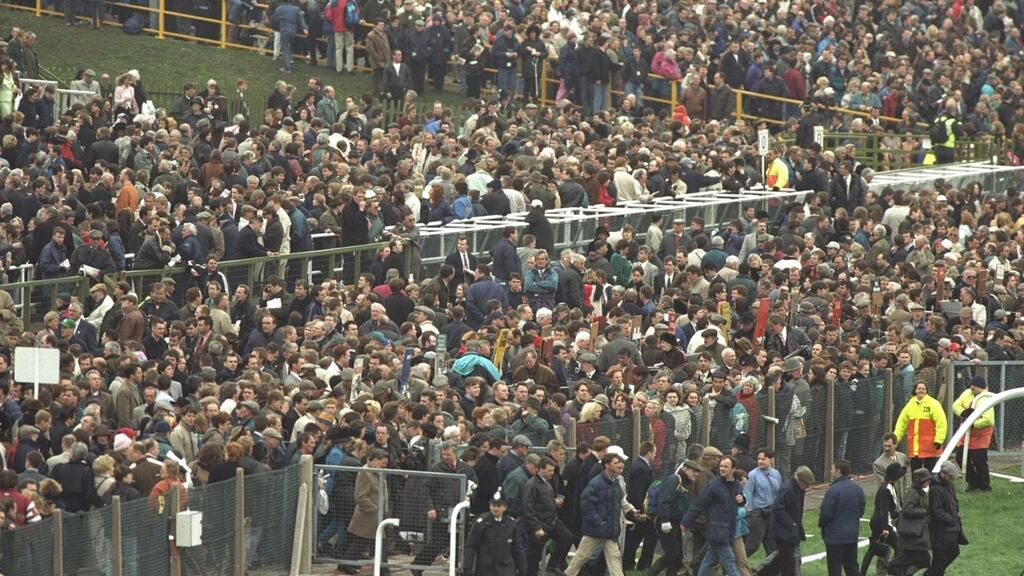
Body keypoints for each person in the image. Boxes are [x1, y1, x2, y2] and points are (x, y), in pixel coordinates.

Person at [563, 452, 638, 576]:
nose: (620, 465)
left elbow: (620, 500)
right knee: (581, 556)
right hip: (595, 530)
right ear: (606, 465)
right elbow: (586, 504)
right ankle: (568, 574)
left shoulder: (615, 483)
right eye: (616, 463)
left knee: (614, 558)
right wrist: (598, 521)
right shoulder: (596, 483)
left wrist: (631, 510)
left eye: (620, 462)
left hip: (609, 531)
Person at [681, 455, 745, 576]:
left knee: (709, 560)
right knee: (730, 561)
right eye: (721, 466)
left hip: (729, 529)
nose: (722, 469)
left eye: (726, 466)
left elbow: (741, 501)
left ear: (733, 468)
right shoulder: (713, 485)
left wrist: (742, 500)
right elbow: (698, 504)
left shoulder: (736, 486)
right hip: (717, 530)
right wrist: (686, 522)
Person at [763, 466, 815, 576]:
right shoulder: (788, 489)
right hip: (782, 532)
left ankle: (760, 573)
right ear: (800, 480)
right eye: (806, 484)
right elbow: (777, 508)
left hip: (790, 532)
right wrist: (792, 523)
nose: (807, 487)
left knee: (780, 561)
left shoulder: (797, 489)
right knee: (788, 564)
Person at [464, 489, 527, 576]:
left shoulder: (512, 525)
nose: (496, 508)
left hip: (506, 569)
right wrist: (467, 568)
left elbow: (517, 549)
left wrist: (522, 569)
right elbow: (471, 546)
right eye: (493, 505)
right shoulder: (481, 522)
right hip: (486, 569)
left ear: (505, 507)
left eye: (499, 505)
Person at [817, 460, 865, 576]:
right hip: (852, 535)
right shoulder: (857, 488)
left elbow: (826, 514)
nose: (831, 471)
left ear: (838, 471)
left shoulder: (833, 490)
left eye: (833, 469)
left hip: (835, 537)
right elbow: (861, 509)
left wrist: (822, 526)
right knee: (852, 566)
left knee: (834, 568)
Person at [951, 375, 995, 492]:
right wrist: (964, 413)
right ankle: (973, 482)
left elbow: (989, 420)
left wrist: (973, 423)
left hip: (981, 435)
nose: (971, 388)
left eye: (974, 386)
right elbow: (956, 405)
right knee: (960, 457)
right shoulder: (966, 393)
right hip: (966, 433)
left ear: (981, 388)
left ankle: (985, 486)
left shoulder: (986, 399)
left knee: (979, 461)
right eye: (971, 385)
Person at [861, 462, 904, 576]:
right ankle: (893, 570)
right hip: (882, 524)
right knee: (899, 549)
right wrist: (885, 528)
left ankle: (862, 573)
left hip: (879, 522)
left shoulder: (888, 486)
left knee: (872, 550)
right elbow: (883, 510)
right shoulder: (886, 489)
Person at [894, 382, 947, 472]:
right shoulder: (910, 405)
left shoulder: (934, 404)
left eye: (923, 389)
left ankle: (930, 485)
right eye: (919, 389)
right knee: (915, 469)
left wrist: (939, 440)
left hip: (930, 445)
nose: (921, 391)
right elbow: (901, 424)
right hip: (915, 447)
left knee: (930, 470)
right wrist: (896, 439)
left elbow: (941, 423)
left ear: (926, 391)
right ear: (915, 390)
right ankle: (917, 485)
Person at [887, 468, 931, 576]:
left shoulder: (919, 492)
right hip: (911, 533)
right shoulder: (912, 493)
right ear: (920, 481)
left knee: (909, 560)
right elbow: (907, 510)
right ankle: (893, 566)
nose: (929, 482)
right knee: (923, 559)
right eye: (926, 480)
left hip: (914, 532)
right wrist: (925, 511)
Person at [926, 461, 967, 576]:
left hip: (950, 529)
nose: (952, 479)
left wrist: (955, 511)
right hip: (940, 531)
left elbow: (954, 500)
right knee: (940, 558)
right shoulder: (936, 490)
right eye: (951, 477)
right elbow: (936, 511)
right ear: (943, 473)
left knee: (951, 553)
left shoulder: (949, 485)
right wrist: (951, 518)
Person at [743, 447, 781, 557]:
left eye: (763, 459)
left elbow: (778, 492)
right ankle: (734, 566)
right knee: (753, 545)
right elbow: (747, 495)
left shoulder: (776, 474)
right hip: (757, 512)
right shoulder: (752, 475)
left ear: (771, 460)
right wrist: (749, 512)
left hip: (771, 512)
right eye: (759, 459)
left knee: (772, 546)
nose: (760, 461)